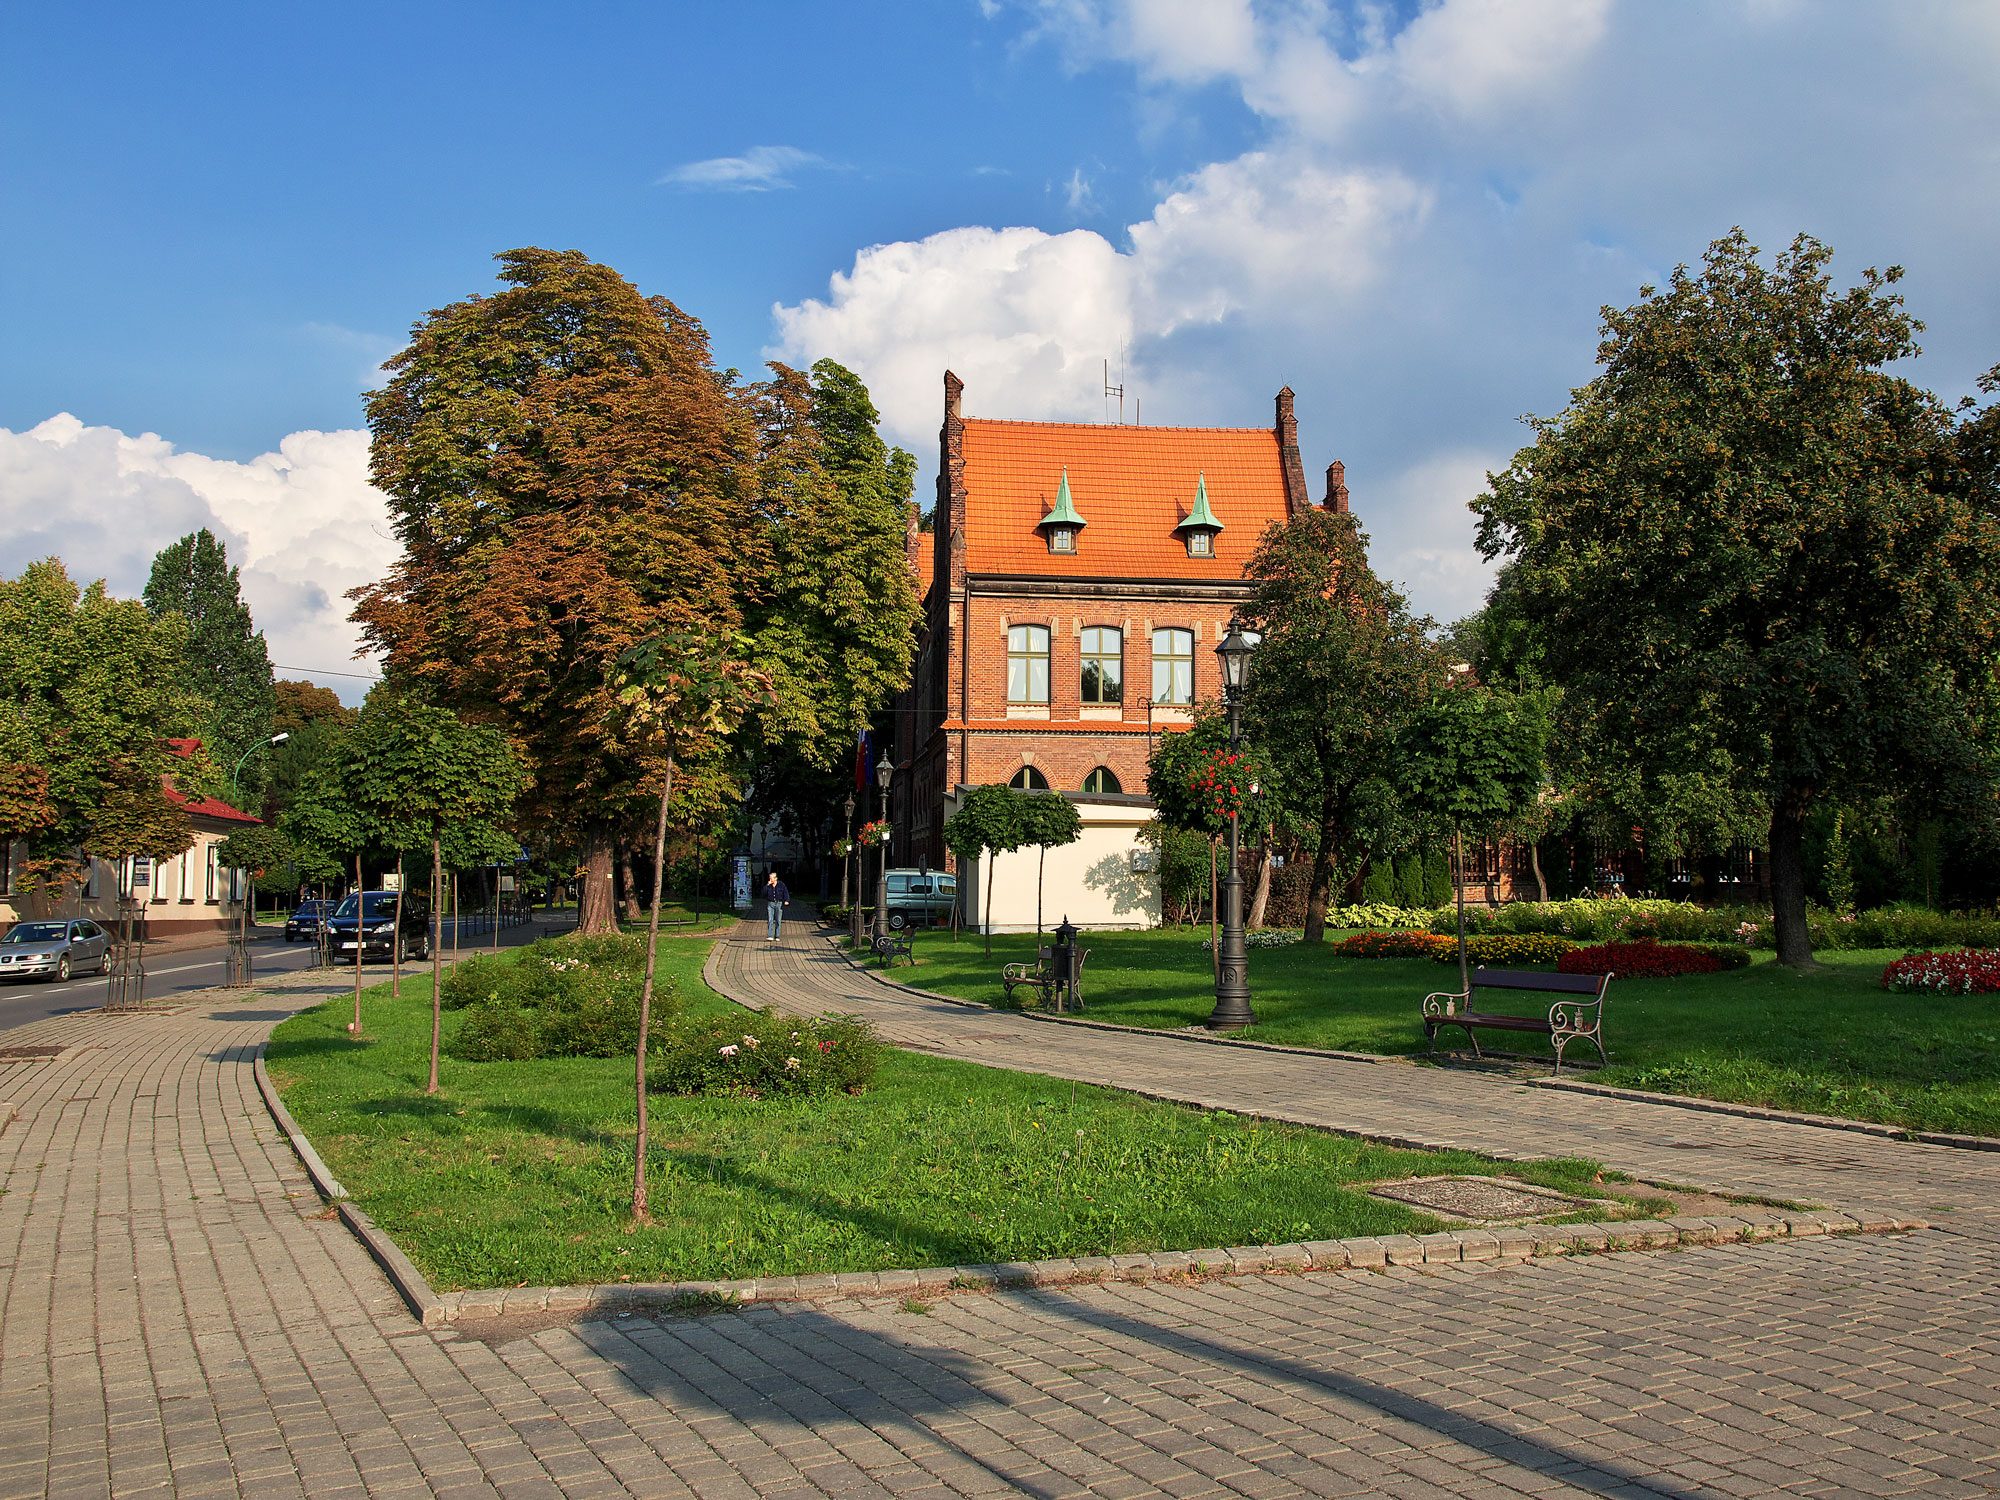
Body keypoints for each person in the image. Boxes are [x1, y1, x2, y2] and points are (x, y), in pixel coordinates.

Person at [764, 871, 789, 942]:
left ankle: (777, 935)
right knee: (770, 919)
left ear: (775, 879)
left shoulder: (781, 885)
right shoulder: (769, 885)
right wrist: (767, 886)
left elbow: (785, 892)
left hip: (779, 903)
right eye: (769, 878)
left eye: (771, 878)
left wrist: (786, 900)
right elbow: (763, 893)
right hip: (770, 903)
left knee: (778, 920)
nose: (770, 880)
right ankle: (770, 935)